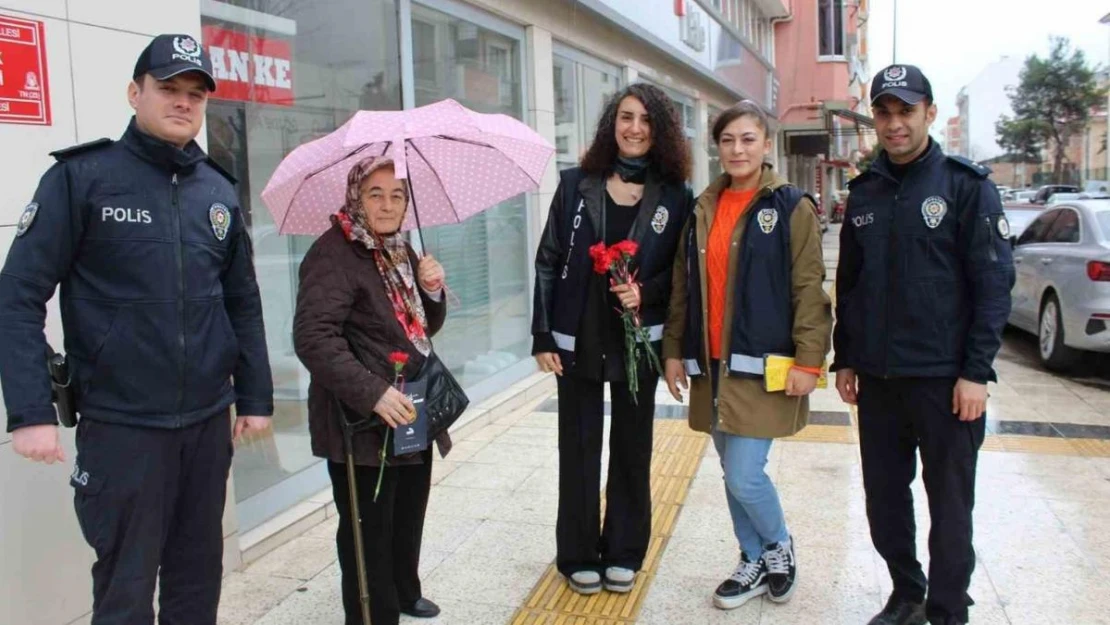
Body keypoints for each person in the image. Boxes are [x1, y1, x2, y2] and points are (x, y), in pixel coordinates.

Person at [0, 34, 273, 623]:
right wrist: (29, 412)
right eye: (168, 89)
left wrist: (254, 396)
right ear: (135, 92)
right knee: (124, 590)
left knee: (197, 581)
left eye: (195, 94)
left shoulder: (216, 190)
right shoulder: (82, 178)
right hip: (123, 427)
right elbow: (17, 295)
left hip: (206, 423)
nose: (183, 103)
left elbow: (242, 303)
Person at [832, 65, 1015, 625]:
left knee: (950, 507)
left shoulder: (966, 186)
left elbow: (993, 284)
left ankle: (947, 608)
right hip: (880, 381)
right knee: (885, 502)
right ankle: (907, 592)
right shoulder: (864, 191)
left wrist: (976, 373)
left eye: (905, 111)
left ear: (929, 114)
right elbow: (851, 282)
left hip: (945, 381)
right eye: (884, 113)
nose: (894, 124)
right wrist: (846, 355)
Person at [662, 100, 832, 610]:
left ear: (766, 144)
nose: (738, 149)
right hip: (712, 366)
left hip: (761, 366)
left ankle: (778, 545)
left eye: (748, 139)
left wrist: (810, 360)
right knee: (730, 468)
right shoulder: (701, 208)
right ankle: (751, 557)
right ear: (717, 147)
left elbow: (808, 286)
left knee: (744, 473)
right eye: (729, 140)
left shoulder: (789, 206)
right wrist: (673, 350)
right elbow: (681, 286)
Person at [532, 83, 693, 595]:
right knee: (578, 445)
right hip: (578, 334)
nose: (635, 128)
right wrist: (542, 334)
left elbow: (680, 275)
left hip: (637, 339)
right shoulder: (577, 183)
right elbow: (548, 259)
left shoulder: (676, 195)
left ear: (660, 130)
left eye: (646, 120)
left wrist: (643, 292)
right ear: (611, 124)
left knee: (632, 445)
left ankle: (624, 549)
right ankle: (577, 553)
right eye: (626, 117)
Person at [293, 156, 449, 625]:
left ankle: (404, 590)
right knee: (368, 530)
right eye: (375, 194)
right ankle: (372, 616)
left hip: (411, 407)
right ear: (355, 198)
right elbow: (313, 338)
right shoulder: (334, 253)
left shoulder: (402, 251)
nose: (387, 204)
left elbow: (422, 329)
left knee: (408, 511)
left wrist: (433, 291)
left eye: (397, 195)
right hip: (360, 421)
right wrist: (373, 393)